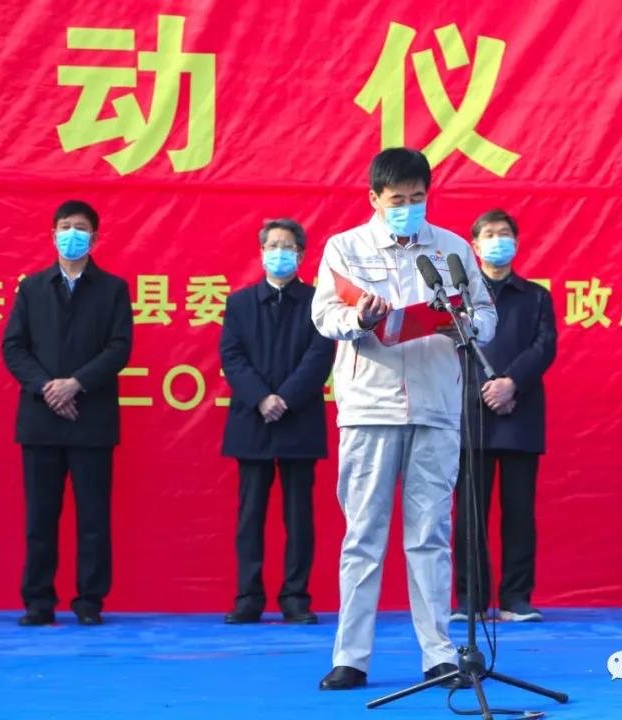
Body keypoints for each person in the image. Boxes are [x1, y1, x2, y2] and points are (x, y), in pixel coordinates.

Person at [311, 148, 497, 690]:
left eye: (418, 198)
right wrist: (359, 318)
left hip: (437, 404)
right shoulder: (345, 247)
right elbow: (324, 315)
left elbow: (486, 313)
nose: (408, 208)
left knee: (430, 535)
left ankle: (438, 655)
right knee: (364, 535)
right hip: (370, 406)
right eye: (397, 200)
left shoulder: (452, 248)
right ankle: (351, 657)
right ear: (374, 198)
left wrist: (466, 324)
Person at [1, 199, 133, 626]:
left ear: (94, 237)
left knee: (93, 518)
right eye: (64, 227)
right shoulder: (32, 288)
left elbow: (119, 348)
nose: (71, 234)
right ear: (52, 234)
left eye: (80, 227)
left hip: (91, 418)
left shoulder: (112, 289)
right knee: (41, 518)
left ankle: (89, 602)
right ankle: (38, 602)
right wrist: (47, 387)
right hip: (41, 420)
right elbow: (14, 347)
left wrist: (76, 383)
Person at [219, 218, 335, 625]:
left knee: (299, 515)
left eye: (288, 247)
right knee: (250, 515)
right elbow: (232, 356)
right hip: (252, 420)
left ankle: (295, 597)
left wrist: (284, 398)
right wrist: (261, 398)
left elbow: (320, 356)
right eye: (273, 246)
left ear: (301, 255)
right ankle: (248, 597)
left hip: (298, 418)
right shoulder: (240, 303)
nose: (279, 253)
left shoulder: (318, 301)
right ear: (261, 252)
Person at [451, 209, 556, 624]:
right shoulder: (458, 298)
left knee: (519, 512)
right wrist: (488, 388)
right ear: (474, 245)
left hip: (520, 413)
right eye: (489, 235)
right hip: (470, 415)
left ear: (516, 242)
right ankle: (470, 600)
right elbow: (449, 350)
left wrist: (511, 384)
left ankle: (516, 598)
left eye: (505, 234)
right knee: (469, 514)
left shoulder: (535, 296)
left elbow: (544, 347)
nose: (498, 241)